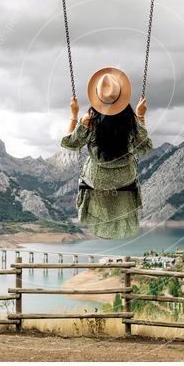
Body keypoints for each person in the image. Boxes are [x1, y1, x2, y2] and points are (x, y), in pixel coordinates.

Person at [61, 67, 153, 239]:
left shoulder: (89, 120)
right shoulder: (130, 119)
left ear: (96, 97)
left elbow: (70, 144)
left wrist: (73, 115)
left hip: (97, 181)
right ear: (121, 97)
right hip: (125, 179)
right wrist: (140, 116)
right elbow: (144, 146)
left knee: (87, 170)